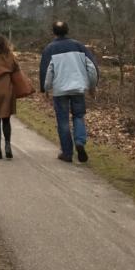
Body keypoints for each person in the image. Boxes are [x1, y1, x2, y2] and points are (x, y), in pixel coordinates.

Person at [39, 20, 99, 163]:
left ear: (53, 32)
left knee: (63, 120)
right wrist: (92, 86)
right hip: (78, 88)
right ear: (68, 30)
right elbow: (92, 67)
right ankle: (79, 142)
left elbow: (46, 70)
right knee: (78, 116)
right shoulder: (79, 46)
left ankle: (67, 153)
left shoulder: (49, 49)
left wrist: (45, 88)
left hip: (60, 91)